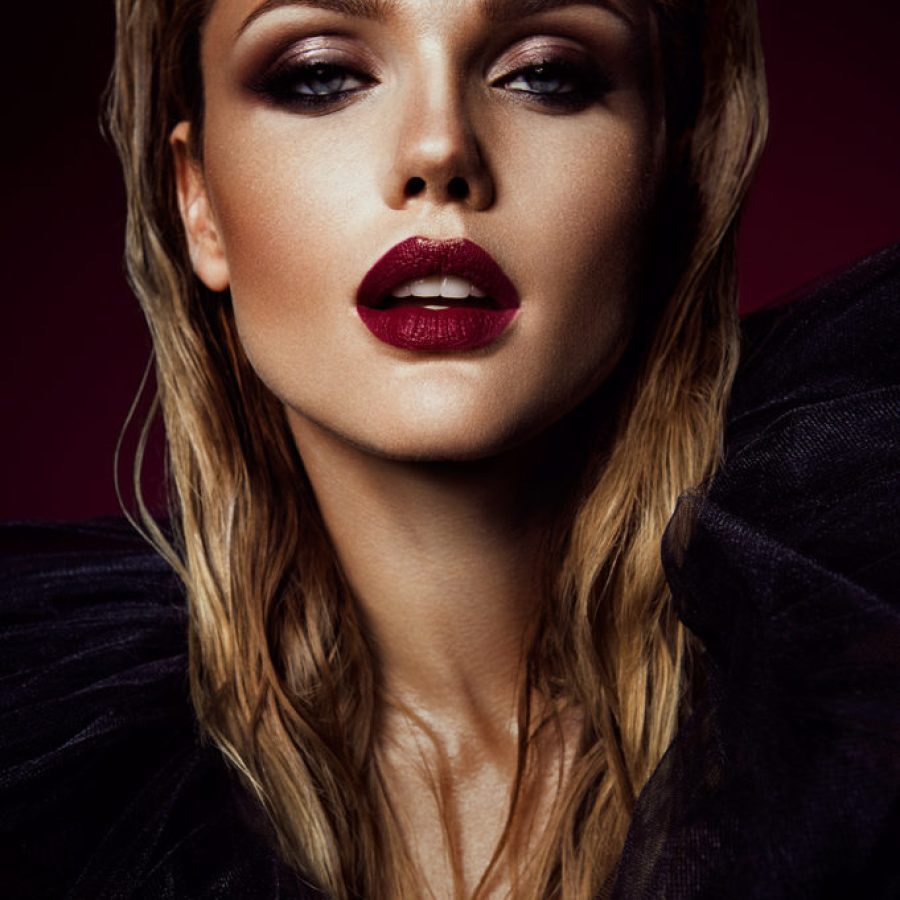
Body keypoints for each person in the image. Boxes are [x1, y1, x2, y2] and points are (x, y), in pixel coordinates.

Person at [1, 0, 897, 898]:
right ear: (197, 203)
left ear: (670, 167)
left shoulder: (858, 688)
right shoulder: (44, 758)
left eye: (547, 73)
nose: (440, 150)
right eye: (320, 75)